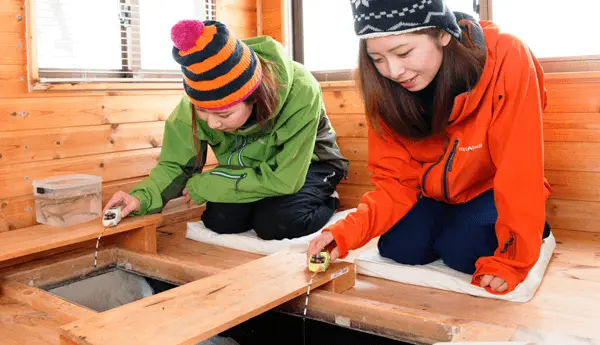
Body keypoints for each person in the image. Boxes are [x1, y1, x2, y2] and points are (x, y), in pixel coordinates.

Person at [307, 0, 552, 294]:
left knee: (463, 250)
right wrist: (342, 234)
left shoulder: (507, 57)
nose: (393, 71)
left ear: (442, 34)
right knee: (400, 248)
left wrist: (514, 260)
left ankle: (535, 228)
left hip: (490, 189)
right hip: (434, 193)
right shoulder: (383, 89)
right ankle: (456, 224)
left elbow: (518, 169)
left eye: (403, 52)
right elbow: (394, 182)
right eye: (377, 59)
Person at [104, 19, 349, 240]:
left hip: (307, 164)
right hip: (251, 169)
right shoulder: (194, 102)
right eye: (202, 111)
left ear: (255, 97)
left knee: (276, 223)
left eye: (224, 114)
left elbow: (285, 178)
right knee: (219, 220)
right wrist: (141, 198)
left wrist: (205, 184)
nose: (212, 124)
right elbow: (176, 165)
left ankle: (328, 201)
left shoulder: (302, 90)